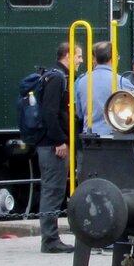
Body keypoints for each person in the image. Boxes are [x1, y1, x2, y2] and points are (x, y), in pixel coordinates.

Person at [37, 41, 82, 253]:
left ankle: (51, 237)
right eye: (79, 56)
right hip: (53, 145)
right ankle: (50, 240)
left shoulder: (57, 76)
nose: (81, 61)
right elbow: (49, 112)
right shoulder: (57, 78)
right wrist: (59, 140)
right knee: (52, 190)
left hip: (53, 143)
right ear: (68, 55)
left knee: (53, 190)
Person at [74, 41, 117, 136]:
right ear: (113, 58)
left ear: (94, 59)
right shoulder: (122, 82)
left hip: (89, 137)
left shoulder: (81, 81)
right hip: (114, 137)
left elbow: (79, 113)